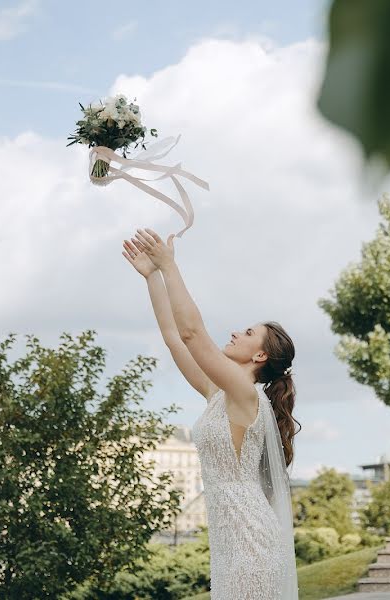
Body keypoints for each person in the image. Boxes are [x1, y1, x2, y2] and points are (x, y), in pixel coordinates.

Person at [122, 228, 300, 599]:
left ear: (260, 356)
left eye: (247, 332)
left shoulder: (243, 393)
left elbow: (191, 334)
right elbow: (174, 336)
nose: (235, 333)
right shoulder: (218, 391)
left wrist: (170, 266)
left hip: (252, 545)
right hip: (230, 545)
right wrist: (152, 277)